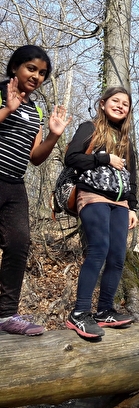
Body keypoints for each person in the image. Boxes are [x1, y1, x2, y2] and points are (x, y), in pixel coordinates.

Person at [0, 45, 70, 336]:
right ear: (15, 66)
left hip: (15, 184)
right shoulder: (1, 90)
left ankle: (5, 316)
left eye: (42, 73)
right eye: (31, 68)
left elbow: (36, 157)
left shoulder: (37, 107)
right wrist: (7, 109)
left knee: (18, 245)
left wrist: (53, 134)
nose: (37, 76)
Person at [64, 86, 138, 340]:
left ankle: (105, 310)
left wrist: (133, 206)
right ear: (103, 103)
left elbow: (133, 175)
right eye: (115, 101)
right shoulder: (90, 128)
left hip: (120, 203)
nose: (120, 106)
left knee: (117, 256)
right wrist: (103, 159)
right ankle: (79, 312)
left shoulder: (126, 138)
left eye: (125, 104)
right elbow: (72, 158)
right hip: (93, 196)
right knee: (99, 249)